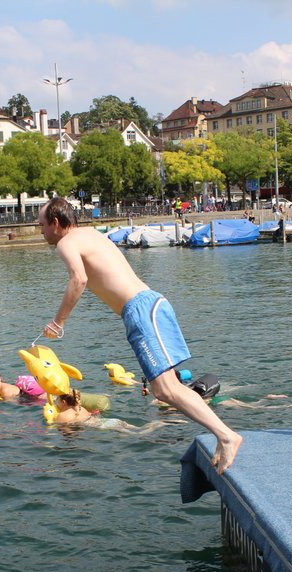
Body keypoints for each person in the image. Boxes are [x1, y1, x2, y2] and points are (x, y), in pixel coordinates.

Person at [38, 197, 242, 472]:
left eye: (42, 224)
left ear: (56, 222)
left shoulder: (67, 242)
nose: (40, 230)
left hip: (140, 310)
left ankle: (227, 436)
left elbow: (79, 279)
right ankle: (224, 436)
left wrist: (58, 321)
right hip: (151, 304)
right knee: (167, 389)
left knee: (165, 389)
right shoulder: (89, 235)